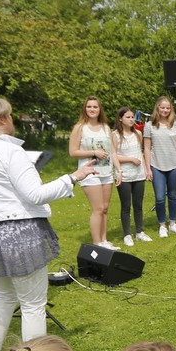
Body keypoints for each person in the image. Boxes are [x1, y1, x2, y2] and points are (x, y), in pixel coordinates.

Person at [0, 93, 97, 351]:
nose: (12, 120)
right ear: (0, 119)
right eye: (9, 115)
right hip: (17, 232)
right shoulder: (10, 152)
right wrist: (73, 178)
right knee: (32, 303)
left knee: (4, 294)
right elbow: (35, 194)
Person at [68, 97, 118, 251]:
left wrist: (118, 170)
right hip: (89, 172)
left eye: (95, 107)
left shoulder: (106, 127)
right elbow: (73, 152)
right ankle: (97, 244)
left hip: (106, 173)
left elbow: (113, 151)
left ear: (99, 109)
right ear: (85, 109)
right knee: (98, 208)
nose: (92, 109)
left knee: (105, 208)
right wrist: (94, 152)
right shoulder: (80, 128)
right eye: (89, 106)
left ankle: (104, 240)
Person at [142, 95, 176, 238]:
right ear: (157, 108)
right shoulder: (149, 125)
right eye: (162, 107)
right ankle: (162, 225)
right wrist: (148, 169)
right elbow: (147, 148)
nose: (165, 110)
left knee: (173, 196)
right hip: (156, 165)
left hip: (174, 164)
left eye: (168, 108)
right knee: (160, 197)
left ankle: (173, 223)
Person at [112, 107, 151, 247]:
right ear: (120, 119)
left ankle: (140, 231)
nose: (131, 119)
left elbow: (141, 152)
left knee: (138, 205)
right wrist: (130, 160)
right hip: (124, 175)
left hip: (139, 174)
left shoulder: (138, 134)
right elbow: (113, 155)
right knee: (126, 206)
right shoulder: (115, 135)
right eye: (128, 117)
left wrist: (146, 170)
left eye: (132, 117)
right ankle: (127, 234)